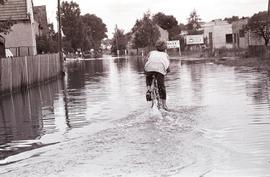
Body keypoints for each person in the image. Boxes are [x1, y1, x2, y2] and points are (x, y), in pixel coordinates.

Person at [144, 40, 170, 111]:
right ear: (165, 48)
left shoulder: (151, 53)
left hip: (149, 68)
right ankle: (164, 105)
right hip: (160, 70)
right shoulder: (166, 55)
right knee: (161, 86)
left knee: (148, 76)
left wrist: (146, 69)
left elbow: (146, 61)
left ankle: (149, 89)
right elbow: (168, 68)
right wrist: (167, 71)